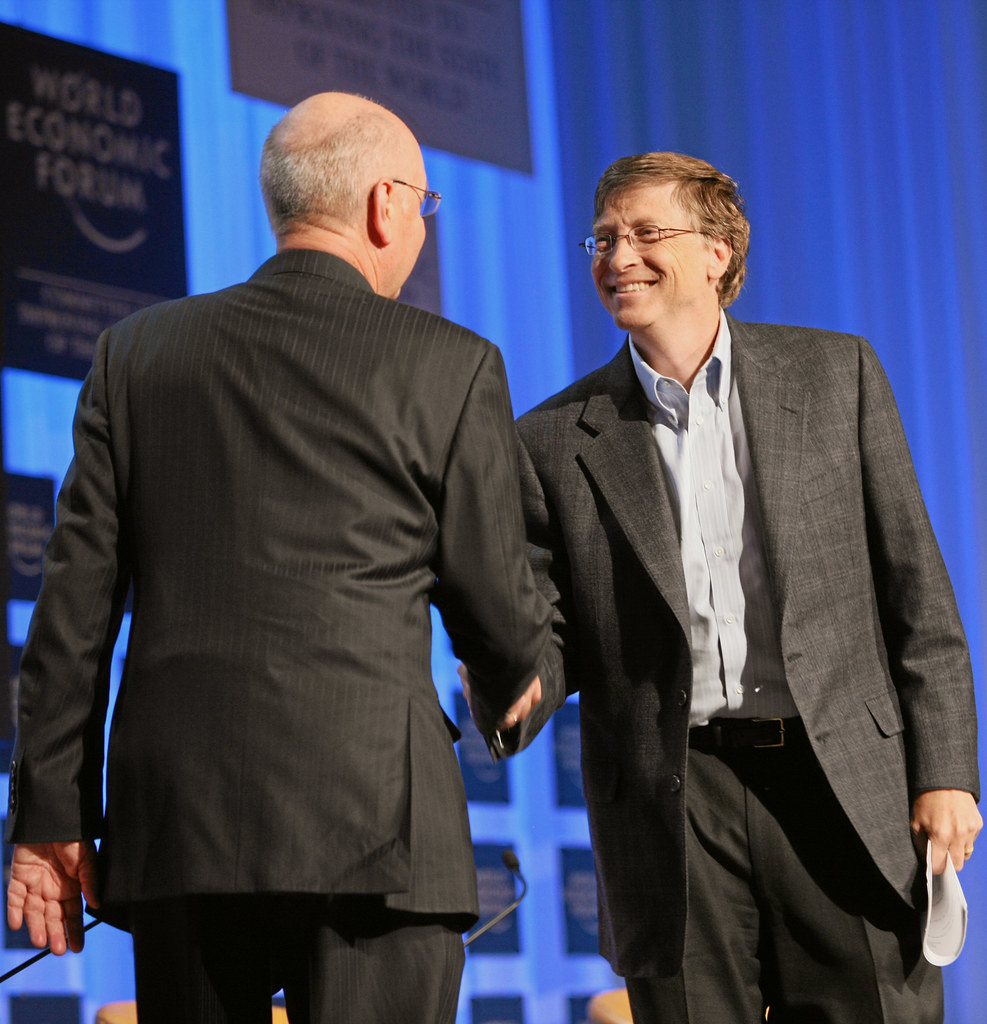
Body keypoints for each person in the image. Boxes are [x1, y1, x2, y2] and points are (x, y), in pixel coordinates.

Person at [4, 91, 547, 1024]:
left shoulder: (136, 354)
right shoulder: (451, 364)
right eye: (424, 204)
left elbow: (72, 615)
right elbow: (498, 611)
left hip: (183, 832)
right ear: (384, 204)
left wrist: (49, 814)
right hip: (379, 830)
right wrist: (512, 683)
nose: (421, 227)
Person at [505, 152, 981, 1022]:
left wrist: (946, 772)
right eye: (603, 239)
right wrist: (509, 681)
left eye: (645, 233)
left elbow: (916, 594)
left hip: (837, 779)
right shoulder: (550, 438)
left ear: (717, 251)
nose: (617, 257)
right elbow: (555, 633)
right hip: (675, 799)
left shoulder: (836, 377)